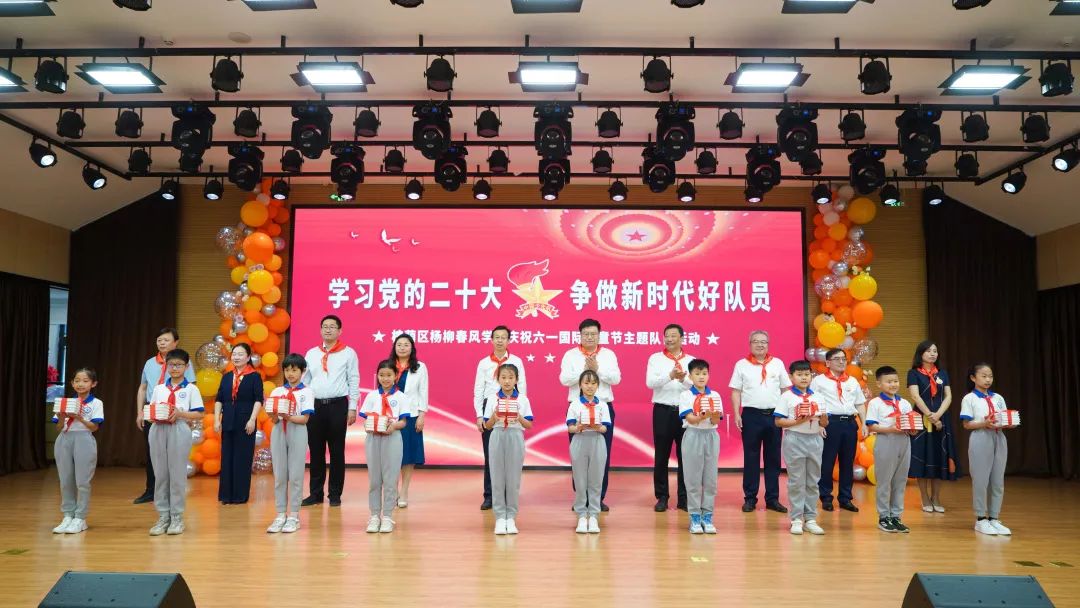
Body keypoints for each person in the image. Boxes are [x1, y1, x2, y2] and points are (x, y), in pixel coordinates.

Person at [559, 319, 620, 511]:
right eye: (586, 334)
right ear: (580, 335)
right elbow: (564, 379)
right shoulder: (570, 355)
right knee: (578, 455)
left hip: (602, 408)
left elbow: (616, 379)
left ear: (599, 335)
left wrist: (597, 369)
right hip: (577, 408)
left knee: (601, 455)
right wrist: (585, 371)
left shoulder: (608, 354)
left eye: (593, 334)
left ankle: (598, 498)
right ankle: (580, 498)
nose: (590, 337)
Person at [728, 330, 791, 513]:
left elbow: (785, 390)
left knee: (773, 458)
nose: (760, 345)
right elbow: (736, 391)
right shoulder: (741, 364)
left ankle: (772, 499)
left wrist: (786, 413)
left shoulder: (777, 363)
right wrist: (737, 414)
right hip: (751, 416)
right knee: (751, 458)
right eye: (756, 341)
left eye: (764, 341)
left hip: (774, 416)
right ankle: (750, 499)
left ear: (768, 344)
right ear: (750, 344)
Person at [302, 315, 360, 507]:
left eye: (332, 327)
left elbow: (353, 380)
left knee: (336, 451)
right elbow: (305, 381)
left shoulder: (348, 353)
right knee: (315, 451)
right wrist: (303, 405)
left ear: (339, 331)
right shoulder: (311, 353)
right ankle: (315, 493)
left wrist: (352, 408)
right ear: (320, 330)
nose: (328, 329)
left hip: (338, 406)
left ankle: (335, 494)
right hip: (315, 406)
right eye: (325, 326)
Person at [134, 328, 194, 504]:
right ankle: (151, 491)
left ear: (176, 342)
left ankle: (172, 492)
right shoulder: (149, 363)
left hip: (175, 412)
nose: (162, 343)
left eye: (166, 340)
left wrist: (188, 416)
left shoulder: (183, 362)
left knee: (174, 454)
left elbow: (191, 387)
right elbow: (143, 388)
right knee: (152, 453)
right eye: (159, 340)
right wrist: (140, 412)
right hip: (152, 412)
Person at [147, 349, 204, 535]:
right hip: (158, 428)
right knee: (160, 474)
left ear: (186, 367)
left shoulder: (191, 389)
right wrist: (151, 415)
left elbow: (199, 413)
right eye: (171, 364)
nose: (175, 368)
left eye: (179, 365)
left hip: (179, 429)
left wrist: (180, 414)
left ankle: (177, 517)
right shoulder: (159, 389)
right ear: (166, 366)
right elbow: (152, 409)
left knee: (177, 474)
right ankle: (163, 516)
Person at [473, 325, 528, 511]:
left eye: (503, 337)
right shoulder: (483, 363)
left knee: (511, 456)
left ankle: (509, 495)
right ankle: (490, 495)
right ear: (491, 340)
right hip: (490, 408)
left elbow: (522, 387)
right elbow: (478, 390)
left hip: (512, 405)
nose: (500, 340)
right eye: (496, 337)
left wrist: (520, 409)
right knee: (491, 455)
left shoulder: (517, 361)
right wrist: (479, 415)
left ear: (509, 340)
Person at [773, 360, 829, 536]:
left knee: (813, 480)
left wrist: (823, 419)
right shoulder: (787, 396)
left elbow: (824, 423)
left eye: (807, 374)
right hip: (795, 439)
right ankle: (796, 519)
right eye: (799, 375)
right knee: (797, 480)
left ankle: (810, 519)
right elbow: (778, 421)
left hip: (815, 439)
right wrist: (799, 421)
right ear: (791, 377)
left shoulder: (818, 397)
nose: (804, 378)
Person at [960, 363, 1015, 536]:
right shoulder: (969, 398)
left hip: (999, 437)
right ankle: (980, 519)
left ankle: (994, 518)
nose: (988, 379)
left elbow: (1004, 417)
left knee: (998, 480)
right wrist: (984, 423)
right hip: (981, 437)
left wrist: (1009, 423)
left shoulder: (998, 397)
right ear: (973, 378)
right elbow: (966, 424)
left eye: (990, 376)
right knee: (981, 480)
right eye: (983, 376)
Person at [360, 360, 414, 534]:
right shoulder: (371, 396)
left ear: (395, 376)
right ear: (377, 376)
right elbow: (365, 419)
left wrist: (393, 426)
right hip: (373, 438)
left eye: (389, 375)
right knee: (374, 480)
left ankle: (388, 516)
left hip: (393, 438)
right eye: (382, 375)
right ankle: (375, 515)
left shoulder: (401, 397)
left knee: (390, 480)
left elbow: (403, 422)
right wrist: (367, 426)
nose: (385, 378)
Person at [812, 347, 867, 513]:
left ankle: (845, 498)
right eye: (837, 359)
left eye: (844, 359)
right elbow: (813, 403)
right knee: (827, 463)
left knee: (847, 463)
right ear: (828, 363)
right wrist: (818, 424)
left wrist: (864, 423)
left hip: (850, 423)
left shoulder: (852, 381)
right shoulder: (819, 381)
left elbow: (859, 403)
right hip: (830, 423)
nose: (842, 362)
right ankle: (826, 497)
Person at [645, 323, 693, 512]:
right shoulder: (655, 358)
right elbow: (650, 383)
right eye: (667, 336)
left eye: (674, 336)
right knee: (661, 455)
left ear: (682, 338)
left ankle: (684, 498)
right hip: (662, 411)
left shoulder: (691, 360)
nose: (670, 339)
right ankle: (662, 497)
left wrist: (682, 379)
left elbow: (696, 386)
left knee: (685, 456)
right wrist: (670, 376)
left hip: (685, 412)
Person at [865, 366, 918, 534]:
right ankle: (883, 517)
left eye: (895, 381)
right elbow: (872, 426)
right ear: (879, 384)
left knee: (900, 481)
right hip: (886, 440)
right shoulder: (875, 403)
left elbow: (911, 424)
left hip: (904, 441)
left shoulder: (905, 403)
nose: (893, 384)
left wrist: (913, 430)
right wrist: (890, 429)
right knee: (884, 481)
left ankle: (896, 516)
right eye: (888, 382)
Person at [265, 354, 314, 534]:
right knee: (279, 474)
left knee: (295, 475)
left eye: (294, 370)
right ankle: (280, 514)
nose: (290, 374)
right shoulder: (277, 391)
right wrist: (273, 415)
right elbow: (273, 419)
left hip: (297, 430)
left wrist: (288, 416)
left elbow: (305, 418)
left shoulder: (306, 392)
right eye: (287, 370)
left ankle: (294, 515)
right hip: (279, 430)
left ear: (302, 371)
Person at [51, 368, 104, 535]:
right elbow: (59, 427)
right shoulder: (65, 402)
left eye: (85, 381)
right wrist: (61, 416)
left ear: (93, 384)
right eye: (77, 381)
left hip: (84, 439)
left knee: (82, 481)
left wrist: (79, 417)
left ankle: (80, 518)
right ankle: (68, 515)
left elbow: (94, 427)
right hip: (64, 439)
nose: (81, 384)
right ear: (72, 383)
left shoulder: (96, 403)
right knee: (65, 479)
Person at [907, 341, 958, 512]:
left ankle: (936, 497)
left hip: (941, 419)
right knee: (922, 456)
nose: (932, 354)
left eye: (935, 351)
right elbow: (915, 396)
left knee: (939, 456)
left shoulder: (942, 373)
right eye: (928, 351)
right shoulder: (913, 373)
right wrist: (930, 415)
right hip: (922, 418)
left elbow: (948, 396)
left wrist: (938, 415)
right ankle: (924, 497)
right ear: (920, 353)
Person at [483, 363, 534, 535]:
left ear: (516, 380)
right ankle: (500, 517)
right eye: (503, 377)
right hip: (497, 435)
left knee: (513, 478)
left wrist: (519, 417)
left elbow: (529, 424)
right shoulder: (492, 399)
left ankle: (511, 517)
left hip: (515, 435)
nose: (507, 381)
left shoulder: (523, 399)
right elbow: (487, 425)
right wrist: (494, 416)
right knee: (497, 477)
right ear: (498, 379)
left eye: (510, 378)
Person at [213, 343, 263, 505]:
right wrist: (216, 419)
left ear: (248, 358)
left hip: (245, 422)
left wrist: (252, 419)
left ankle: (240, 495)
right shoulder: (227, 376)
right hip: (228, 420)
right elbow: (219, 399)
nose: (236, 357)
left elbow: (258, 400)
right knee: (227, 457)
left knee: (242, 458)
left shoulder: (254, 376)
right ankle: (226, 495)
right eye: (234, 354)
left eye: (240, 354)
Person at [679, 359, 723, 535]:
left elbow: (716, 420)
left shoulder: (715, 395)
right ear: (690, 376)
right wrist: (703, 416)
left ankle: (708, 516)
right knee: (693, 479)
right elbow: (690, 419)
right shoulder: (686, 395)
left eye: (704, 373)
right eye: (697, 374)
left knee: (710, 479)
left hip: (711, 436)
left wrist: (712, 416)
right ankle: (695, 517)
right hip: (693, 435)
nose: (701, 377)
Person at [566, 370, 610, 534]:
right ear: (580, 385)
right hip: (579, 440)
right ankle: (581, 515)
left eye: (593, 383)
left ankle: (593, 515)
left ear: (598, 385)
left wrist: (598, 427)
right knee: (580, 480)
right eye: (586, 383)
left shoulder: (603, 405)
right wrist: (578, 427)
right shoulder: (575, 404)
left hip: (597, 441)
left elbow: (605, 428)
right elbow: (570, 428)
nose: (590, 386)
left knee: (596, 480)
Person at [390, 333, 429, 507]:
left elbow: (423, 392)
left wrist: (422, 415)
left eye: (406, 344)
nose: (402, 347)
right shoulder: (388, 365)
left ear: (412, 348)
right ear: (394, 347)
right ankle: (392, 490)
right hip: (391, 416)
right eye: (399, 344)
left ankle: (404, 491)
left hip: (411, 416)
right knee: (392, 455)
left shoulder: (420, 367)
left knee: (408, 455)